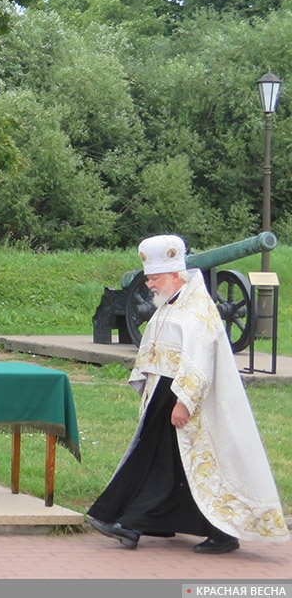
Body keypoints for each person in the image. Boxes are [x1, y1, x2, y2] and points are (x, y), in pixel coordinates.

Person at [86, 234, 288, 554]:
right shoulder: (171, 302)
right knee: (166, 462)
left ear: (174, 274)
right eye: (148, 278)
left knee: (181, 463)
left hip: (186, 401)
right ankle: (135, 522)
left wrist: (184, 402)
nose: (149, 284)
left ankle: (136, 523)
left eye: (153, 278)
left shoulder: (196, 311)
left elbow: (199, 360)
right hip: (163, 395)